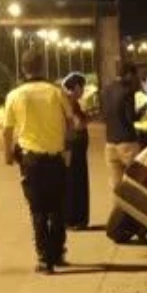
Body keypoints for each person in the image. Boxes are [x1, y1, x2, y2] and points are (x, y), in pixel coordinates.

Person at [4, 48, 75, 274]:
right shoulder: (56, 92)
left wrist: (7, 154)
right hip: (55, 159)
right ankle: (57, 253)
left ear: (23, 68)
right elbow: (70, 123)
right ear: (42, 66)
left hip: (30, 161)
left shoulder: (14, 95)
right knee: (57, 209)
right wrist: (68, 149)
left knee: (38, 210)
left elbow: (7, 130)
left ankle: (45, 259)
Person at [101, 64, 142, 197]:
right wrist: (142, 112)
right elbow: (131, 118)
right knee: (135, 182)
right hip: (127, 143)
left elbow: (104, 115)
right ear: (129, 74)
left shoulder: (105, 90)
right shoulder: (128, 92)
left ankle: (118, 212)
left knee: (116, 184)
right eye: (134, 76)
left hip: (110, 142)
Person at [61, 72, 91, 230]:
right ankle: (75, 219)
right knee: (75, 181)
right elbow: (78, 125)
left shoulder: (70, 101)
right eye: (82, 87)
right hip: (73, 147)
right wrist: (90, 118)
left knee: (71, 180)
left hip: (71, 147)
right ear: (76, 86)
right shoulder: (70, 102)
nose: (83, 91)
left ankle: (70, 218)